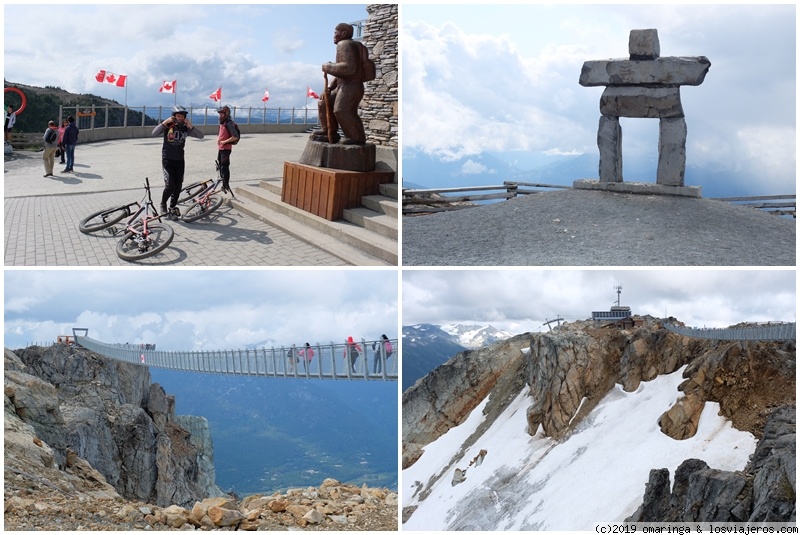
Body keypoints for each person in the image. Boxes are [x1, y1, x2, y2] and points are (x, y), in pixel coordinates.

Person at [314, 22, 369, 145]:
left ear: (343, 33)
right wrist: (330, 87)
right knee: (324, 101)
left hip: (351, 86)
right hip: (342, 85)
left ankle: (356, 137)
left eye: (335, 33)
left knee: (341, 110)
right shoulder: (345, 45)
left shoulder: (344, 44)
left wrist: (329, 67)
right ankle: (329, 132)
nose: (333, 35)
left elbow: (349, 69)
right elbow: (341, 73)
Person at [152, 105, 203, 219]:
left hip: (180, 160)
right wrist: (165, 122)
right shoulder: (168, 126)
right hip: (168, 160)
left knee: (178, 186)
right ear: (174, 116)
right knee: (170, 185)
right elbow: (154, 133)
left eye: (182, 116)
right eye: (178, 116)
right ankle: (163, 203)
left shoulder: (185, 128)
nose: (180, 118)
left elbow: (201, 136)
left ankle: (172, 207)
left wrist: (191, 127)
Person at [216, 106, 238, 193]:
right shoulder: (222, 122)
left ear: (226, 114)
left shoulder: (229, 123)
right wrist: (218, 139)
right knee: (220, 165)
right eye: (220, 114)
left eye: (222, 114)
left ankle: (226, 185)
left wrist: (224, 141)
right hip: (221, 148)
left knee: (224, 167)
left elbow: (235, 136)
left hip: (226, 149)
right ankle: (223, 183)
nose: (220, 115)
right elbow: (221, 133)